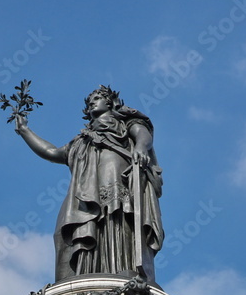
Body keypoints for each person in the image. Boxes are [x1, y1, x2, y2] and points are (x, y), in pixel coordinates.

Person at [14, 85, 163, 281]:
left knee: (116, 217)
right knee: (77, 226)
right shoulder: (81, 140)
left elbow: (143, 135)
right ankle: (85, 273)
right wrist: (25, 130)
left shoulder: (124, 123)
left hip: (118, 178)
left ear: (109, 102)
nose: (92, 102)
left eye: (97, 98)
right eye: (90, 100)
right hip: (85, 190)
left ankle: (123, 269)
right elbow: (53, 152)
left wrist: (141, 148)